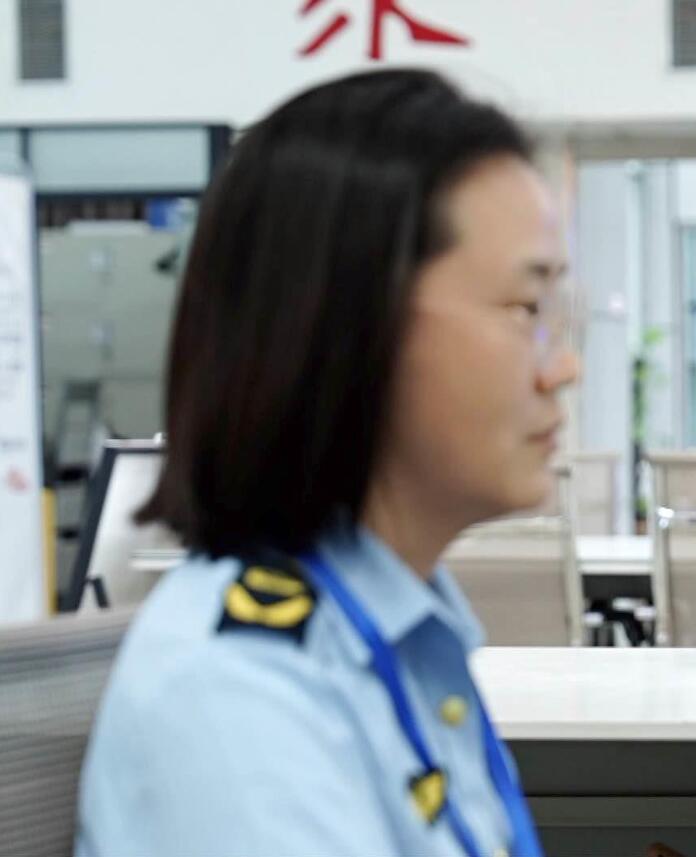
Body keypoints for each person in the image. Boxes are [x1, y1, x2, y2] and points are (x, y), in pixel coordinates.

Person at [76, 69, 577, 857]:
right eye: (525, 309)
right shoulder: (239, 695)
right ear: (351, 322)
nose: (563, 367)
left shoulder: (393, 632)